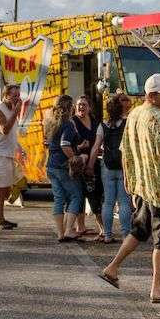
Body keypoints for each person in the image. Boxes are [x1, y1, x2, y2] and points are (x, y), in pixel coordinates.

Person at [99, 73, 160, 304]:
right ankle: (157, 288)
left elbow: (125, 151)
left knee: (139, 230)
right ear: (152, 95)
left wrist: (129, 181)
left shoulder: (133, 114)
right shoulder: (158, 118)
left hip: (142, 185)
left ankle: (112, 268)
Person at [88, 94, 130, 243]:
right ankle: (126, 235)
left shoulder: (103, 125)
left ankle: (107, 235)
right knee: (124, 202)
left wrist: (90, 166)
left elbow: (95, 147)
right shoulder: (128, 123)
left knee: (108, 202)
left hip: (107, 166)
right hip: (124, 166)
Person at [44, 95, 84, 242]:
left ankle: (60, 233)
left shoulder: (51, 121)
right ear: (69, 107)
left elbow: (50, 143)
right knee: (76, 196)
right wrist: (74, 157)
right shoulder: (67, 123)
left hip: (51, 165)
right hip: (62, 165)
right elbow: (65, 144)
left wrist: (78, 146)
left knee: (59, 198)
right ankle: (68, 231)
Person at [0, 84, 22, 230]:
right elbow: (5, 130)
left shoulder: (11, 109)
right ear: (6, 95)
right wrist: (15, 112)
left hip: (8, 153)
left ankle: (2, 218)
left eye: (18, 95)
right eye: (14, 95)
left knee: (6, 186)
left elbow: (13, 132)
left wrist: (19, 148)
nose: (17, 98)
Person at [72, 95, 102, 239]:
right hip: (79, 163)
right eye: (79, 104)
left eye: (84, 104)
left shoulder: (95, 123)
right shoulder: (73, 122)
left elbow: (98, 141)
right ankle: (80, 226)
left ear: (89, 107)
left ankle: (101, 228)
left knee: (94, 194)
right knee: (79, 193)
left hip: (93, 162)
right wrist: (79, 147)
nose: (81, 107)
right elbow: (67, 145)